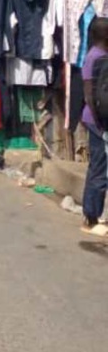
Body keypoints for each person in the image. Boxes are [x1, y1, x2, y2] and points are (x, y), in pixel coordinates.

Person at [82, 17, 108, 234]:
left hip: (93, 119)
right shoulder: (98, 58)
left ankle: (90, 212)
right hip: (97, 120)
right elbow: (90, 94)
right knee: (100, 169)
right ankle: (92, 216)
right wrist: (101, 124)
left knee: (96, 167)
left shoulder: (92, 55)